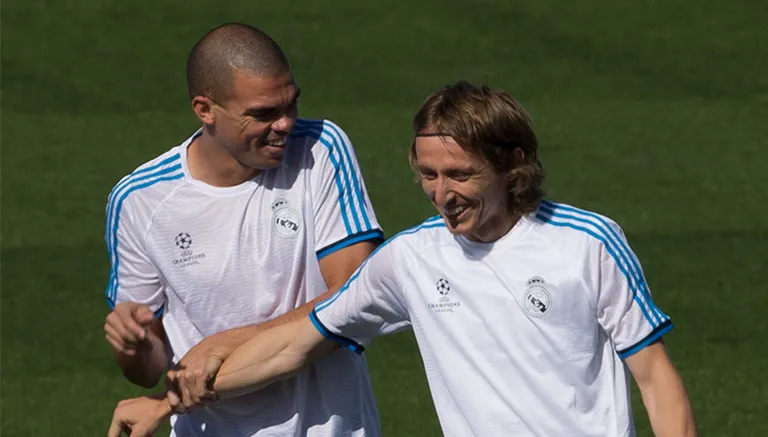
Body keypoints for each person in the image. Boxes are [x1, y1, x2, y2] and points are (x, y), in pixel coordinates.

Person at [108, 81, 698, 437]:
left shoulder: (589, 243)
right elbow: (296, 343)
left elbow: (655, 377)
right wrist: (167, 402)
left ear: (512, 161)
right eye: (429, 175)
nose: (443, 194)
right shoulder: (412, 258)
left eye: (461, 174)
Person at [103, 23, 385, 437]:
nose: (286, 123)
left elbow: (353, 299)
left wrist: (227, 343)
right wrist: (135, 348)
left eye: (291, 104)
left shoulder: (321, 149)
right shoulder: (139, 201)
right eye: (264, 114)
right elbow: (150, 371)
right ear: (205, 110)